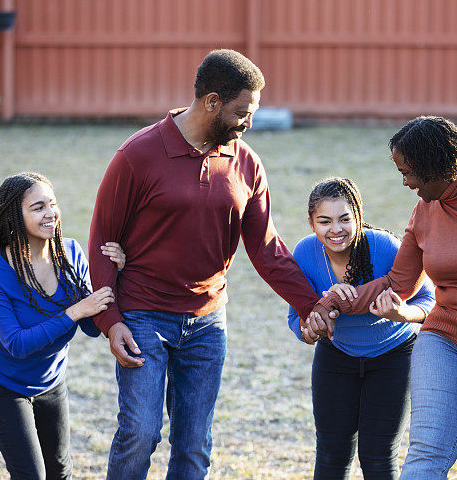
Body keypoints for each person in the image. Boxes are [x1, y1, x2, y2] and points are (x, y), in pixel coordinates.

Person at [88, 49, 325, 479]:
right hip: (143, 314)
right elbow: (103, 239)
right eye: (242, 111)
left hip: (207, 321)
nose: (248, 122)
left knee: (194, 446)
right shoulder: (137, 155)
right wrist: (110, 320)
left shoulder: (246, 162)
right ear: (211, 102)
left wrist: (312, 305)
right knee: (140, 433)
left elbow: (266, 248)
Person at [307, 116, 457, 479]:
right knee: (426, 454)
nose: (404, 181)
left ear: (435, 166)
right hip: (444, 338)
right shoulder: (425, 208)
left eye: (409, 172)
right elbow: (397, 282)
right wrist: (331, 302)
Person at [0, 172, 126, 480]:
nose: (51, 213)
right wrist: (74, 311)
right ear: (14, 217)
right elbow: (17, 344)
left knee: (60, 471)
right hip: (2, 381)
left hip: (50, 379)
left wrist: (118, 273)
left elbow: (92, 327)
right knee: (30, 475)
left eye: (52, 204)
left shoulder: (70, 252)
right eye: (38, 207)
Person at [288, 177, 435, 479]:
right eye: (324, 221)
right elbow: (296, 317)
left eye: (345, 218)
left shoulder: (384, 246)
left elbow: (430, 301)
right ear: (311, 223)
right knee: (331, 453)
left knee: (378, 456)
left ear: (358, 215)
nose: (336, 229)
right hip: (336, 356)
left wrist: (402, 313)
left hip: (393, 357)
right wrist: (311, 328)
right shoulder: (304, 253)